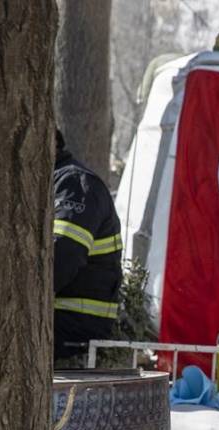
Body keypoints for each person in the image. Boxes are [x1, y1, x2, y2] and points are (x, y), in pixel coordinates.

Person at [53, 129, 123, 362]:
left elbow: (59, 261)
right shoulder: (55, 182)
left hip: (73, 331)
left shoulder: (74, 185)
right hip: (58, 323)